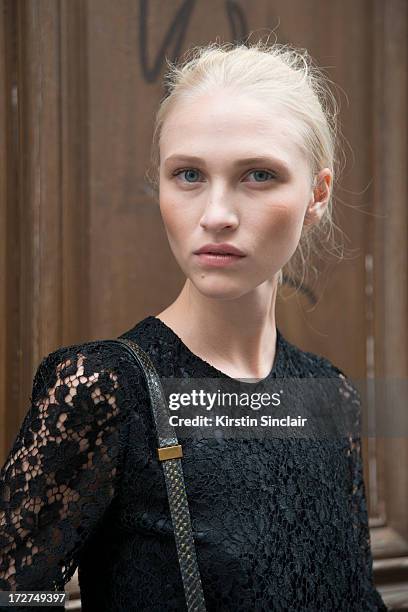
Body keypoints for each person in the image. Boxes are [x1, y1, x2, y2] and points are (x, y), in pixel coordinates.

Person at [0, 40, 387, 611]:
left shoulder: (330, 396)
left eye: (258, 174)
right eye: (188, 175)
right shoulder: (101, 389)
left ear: (317, 195)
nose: (216, 215)